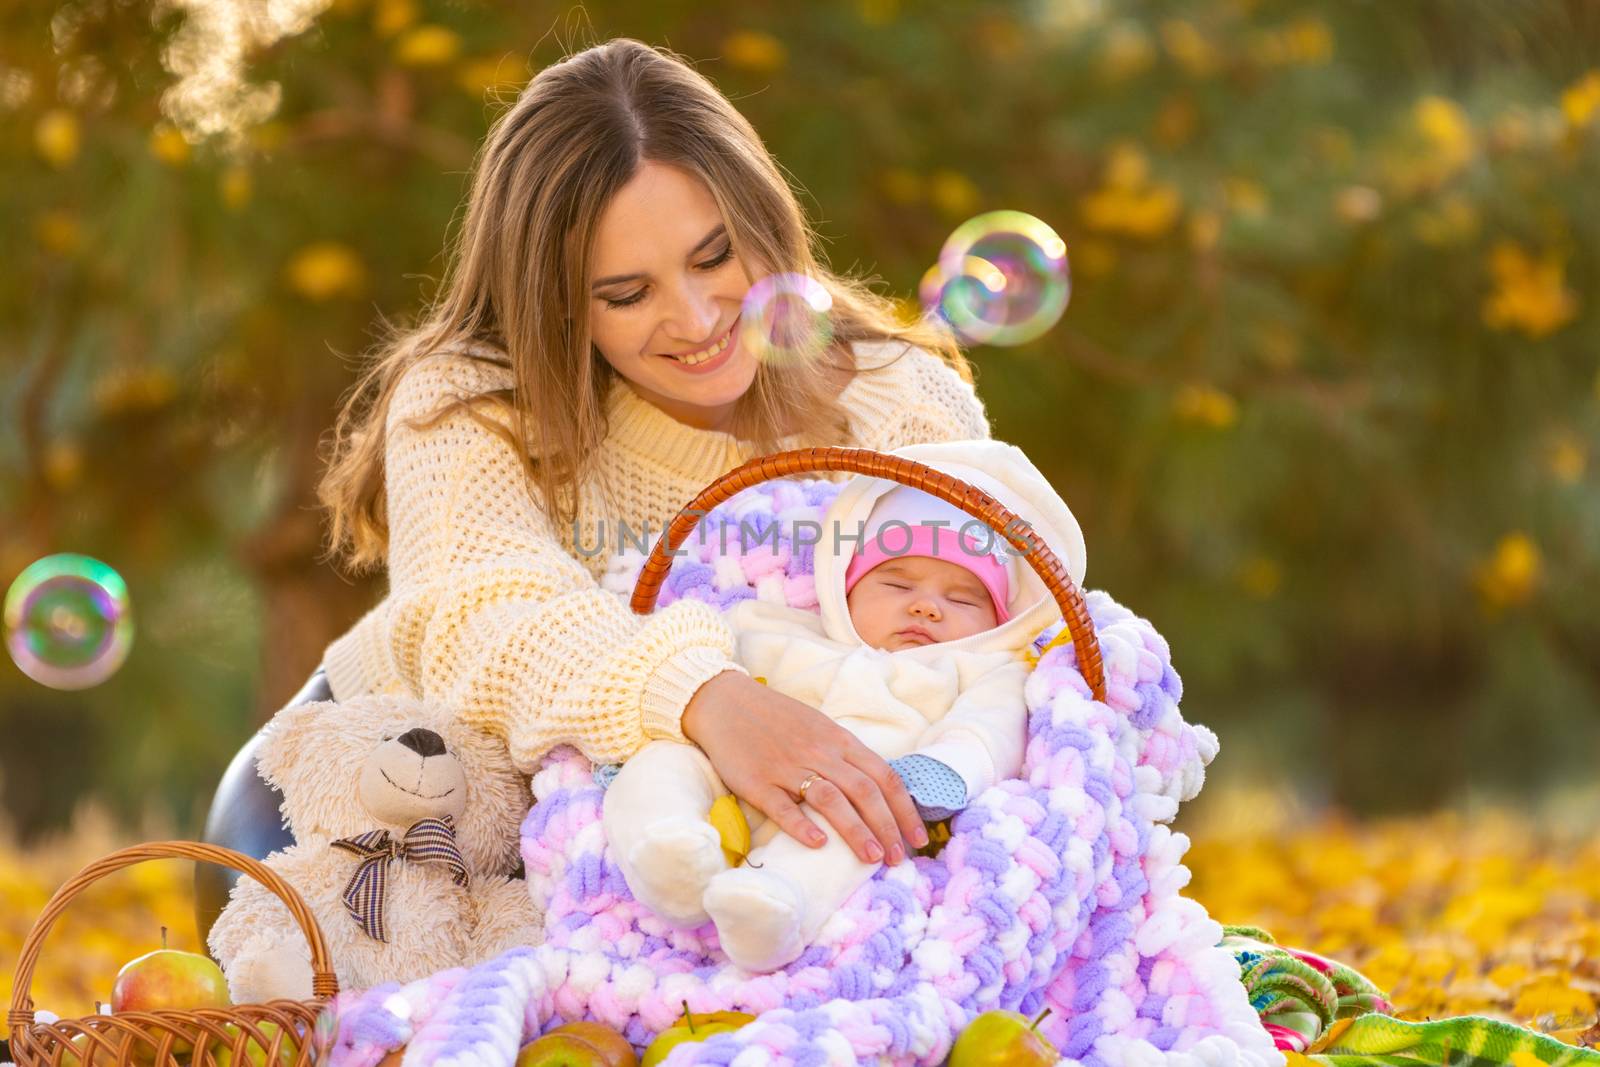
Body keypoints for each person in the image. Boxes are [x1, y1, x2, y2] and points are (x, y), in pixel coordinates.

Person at [284, 36, 1004, 890]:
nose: (697, 319)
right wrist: (705, 697)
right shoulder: (471, 402)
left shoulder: (900, 402)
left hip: (760, 845)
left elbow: (1008, 630)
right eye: (627, 294)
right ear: (552, 302)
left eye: (715, 257)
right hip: (413, 796)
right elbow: (474, 614)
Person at [602, 439, 1087, 972]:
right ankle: (668, 850)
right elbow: (704, 668)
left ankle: (776, 904)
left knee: (864, 820)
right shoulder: (778, 626)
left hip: (860, 789)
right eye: (896, 582)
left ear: (999, 621)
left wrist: (941, 772)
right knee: (664, 763)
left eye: (963, 598)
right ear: (845, 590)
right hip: (732, 780)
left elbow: (992, 728)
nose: (925, 605)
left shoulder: (984, 670)